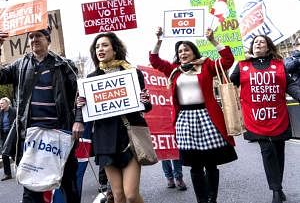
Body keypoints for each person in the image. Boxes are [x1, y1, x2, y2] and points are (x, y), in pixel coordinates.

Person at [149, 27, 237, 203]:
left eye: (186, 49)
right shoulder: (174, 70)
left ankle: (212, 199)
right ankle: (202, 200)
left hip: (207, 117)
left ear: (193, 51)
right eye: (180, 51)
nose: (183, 53)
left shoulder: (206, 65)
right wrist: (158, 40)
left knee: (211, 164)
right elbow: (154, 60)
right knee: (195, 166)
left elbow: (228, 60)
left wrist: (213, 40)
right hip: (185, 121)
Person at [0, 28, 84, 203]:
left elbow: (80, 95)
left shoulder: (64, 64)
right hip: (31, 137)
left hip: (59, 134)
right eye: (31, 37)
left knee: (68, 184)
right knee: (31, 189)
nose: (33, 39)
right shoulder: (20, 65)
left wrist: (78, 121)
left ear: (48, 39)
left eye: (38, 36)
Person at [76, 32, 152, 203]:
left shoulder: (132, 73)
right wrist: (81, 104)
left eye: (104, 45)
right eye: (97, 47)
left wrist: (145, 101)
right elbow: (86, 112)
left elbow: (145, 106)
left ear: (115, 49)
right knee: (118, 196)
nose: (100, 49)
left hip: (129, 137)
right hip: (104, 140)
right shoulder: (90, 80)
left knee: (131, 195)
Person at [230, 35, 300, 203]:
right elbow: (232, 79)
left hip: (278, 116)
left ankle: (278, 185)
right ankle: (275, 190)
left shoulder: (278, 65)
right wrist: (239, 60)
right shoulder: (243, 64)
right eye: (255, 42)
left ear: (268, 47)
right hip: (256, 119)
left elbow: (289, 84)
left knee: (278, 153)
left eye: (262, 42)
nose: (258, 44)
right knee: (267, 152)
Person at [0, 97, 16, 181]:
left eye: (2, 103)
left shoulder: (14, 111)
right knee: (4, 154)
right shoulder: (1, 113)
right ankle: (7, 174)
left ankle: (22, 171)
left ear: (7, 103)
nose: (0, 105)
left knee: (14, 153)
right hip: (4, 135)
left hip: (13, 135)